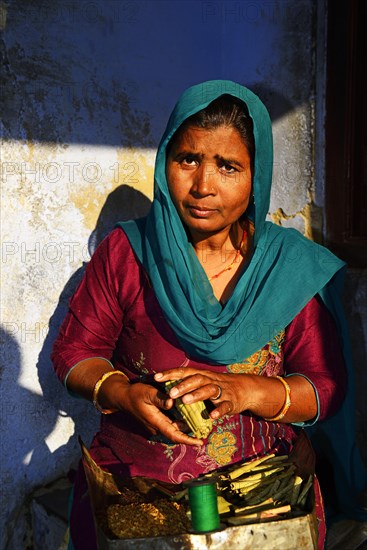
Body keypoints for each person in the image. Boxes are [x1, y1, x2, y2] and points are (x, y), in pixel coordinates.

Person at [51, 80, 364, 549]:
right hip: (140, 495)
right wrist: (122, 391)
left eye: (228, 166)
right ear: (166, 162)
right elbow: (76, 353)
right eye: (188, 160)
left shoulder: (289, 268)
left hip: (262, 500)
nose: (203, 186)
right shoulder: (127, 252)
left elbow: (324, 388)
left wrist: (241, 390)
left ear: (256, 176)